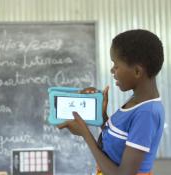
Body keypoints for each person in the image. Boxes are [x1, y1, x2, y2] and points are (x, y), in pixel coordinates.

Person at [57, 29, 165, 175]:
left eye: (116, 65)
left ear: (137, 72)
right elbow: (117, 143)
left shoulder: (146, 113)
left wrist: (86, 135)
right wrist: (102, 118)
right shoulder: (136, 101)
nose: (111, 70)